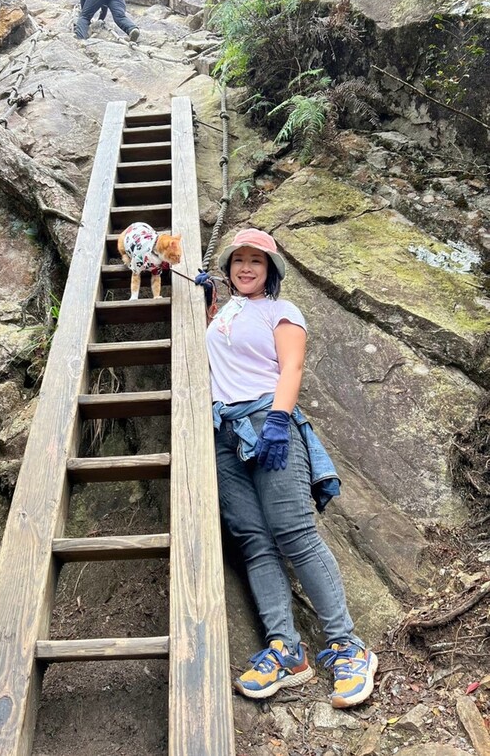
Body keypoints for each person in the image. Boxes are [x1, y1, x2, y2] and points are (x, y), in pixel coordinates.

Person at [196, 228, 378, 709]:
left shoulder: (282, 310)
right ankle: (286, 650)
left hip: (268, 421)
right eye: (239, 261)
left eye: (257, 261)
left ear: (271, 270)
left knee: (294, 532)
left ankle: (347, 646)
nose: (247, 267)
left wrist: (278, 419)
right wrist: (204, 303)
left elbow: (291, 368)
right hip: (225, 433)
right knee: (255, 541)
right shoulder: (224, 313)